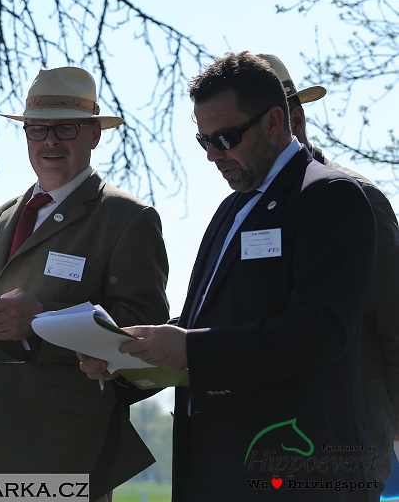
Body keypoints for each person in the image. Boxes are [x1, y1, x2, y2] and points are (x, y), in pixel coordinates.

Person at [80, 52, 378, 501]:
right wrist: (129, 357)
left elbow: (320, 332)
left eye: (226, 137)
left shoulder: (332, 196)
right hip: (217, 469)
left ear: (275, 122)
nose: (214, 156)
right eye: (204, 142)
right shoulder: (233, 206)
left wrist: (189, 349)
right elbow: (205, 322)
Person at [0, 66, 170, 501]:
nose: (50, 141)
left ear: (94, 134)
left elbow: (144, 336)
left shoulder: (127, 219)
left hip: (63, 449)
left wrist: (44, 322)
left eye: (65, 128)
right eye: (37, 129)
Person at [259, 53, 399, 489]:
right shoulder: (245, 210)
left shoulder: (356, 200)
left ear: (291, 117)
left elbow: (396, 324)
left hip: (343, 447)